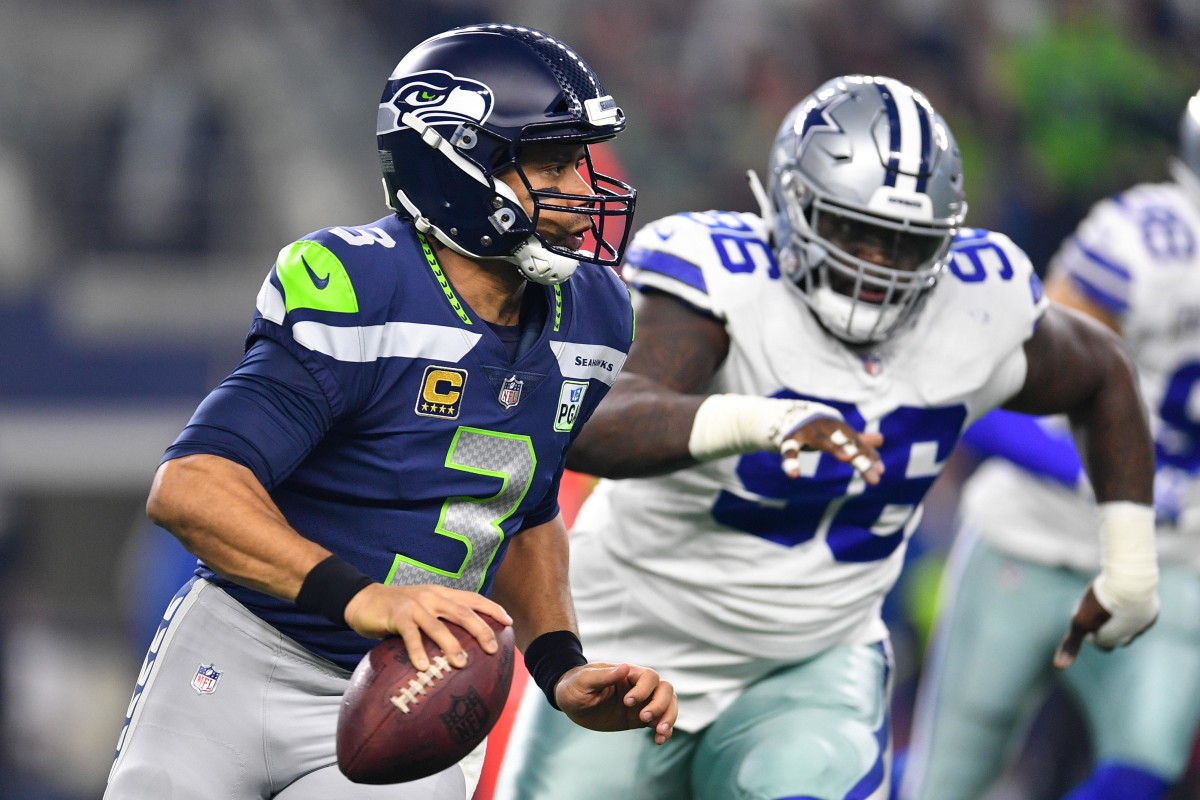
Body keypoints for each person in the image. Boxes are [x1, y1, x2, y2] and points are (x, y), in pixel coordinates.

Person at [494, 74, 1160, 800]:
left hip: (812, 663)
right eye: (854, 230)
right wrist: (762, 419)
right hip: (632, 637)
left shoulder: (979, 302)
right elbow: (592, 426)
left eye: (905, 242)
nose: (876, 264)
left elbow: (1103, 373)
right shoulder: (723, 281)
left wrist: (1131, 562)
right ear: (791, 205)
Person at [102, 23, 679, 800]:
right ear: (455, 162)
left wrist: (560, 666)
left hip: (415, 690)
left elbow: (521, 510)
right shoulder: (365, 285)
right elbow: (191, 487)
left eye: (580, 160)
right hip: (239, 656)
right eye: (552, 162)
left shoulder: (596, 314)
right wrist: (362, 596)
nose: (581, 188)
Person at [899, 90, 1200, 800]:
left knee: (1146, 765)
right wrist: (1107, 473)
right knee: (947, 779)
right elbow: (995, 388)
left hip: (1172, 559)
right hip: (1032, 535)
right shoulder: (1146, 242)